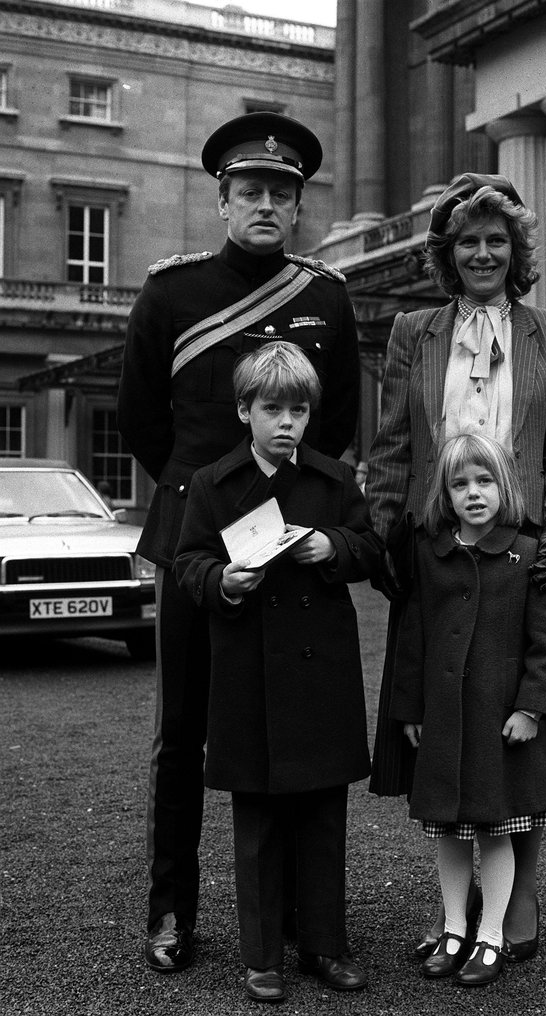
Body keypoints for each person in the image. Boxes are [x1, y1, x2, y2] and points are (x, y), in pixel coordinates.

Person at [117, 111, 361, 973]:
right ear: (222, 200)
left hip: (292, 546)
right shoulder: (170, 293)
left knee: (290, 725)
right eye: (250, 190)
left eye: (282, 193)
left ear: (298, 207)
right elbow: (141, 417)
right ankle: (171, 912)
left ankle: (297, 918)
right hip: (197, 539)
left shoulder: (326, 297)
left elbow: (338, 428)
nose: (266, 204)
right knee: (183, 732)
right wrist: (203, 498)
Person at [366, 172, 546, 961]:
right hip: (437, 549)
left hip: (521, 551)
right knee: (445, 714)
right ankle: (459, 911)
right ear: (447, 253)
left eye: (497, 240)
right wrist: (385, 532)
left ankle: (515, 895)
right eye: (468, 241)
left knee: (517, 719)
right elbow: (392, 444)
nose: (484, 252)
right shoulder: (412, 332)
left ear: (516, 251)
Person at [173, 342, 381, 1003]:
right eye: (273, 409)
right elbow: (188, 562)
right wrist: (223, 582)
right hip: (248, 676)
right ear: (244, 411)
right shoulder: (211, 483)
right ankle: (262, 957)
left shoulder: (332, 480)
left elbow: (370, 549)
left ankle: (325, 945)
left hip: (321, 675)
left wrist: (334, 547)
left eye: (299, 409)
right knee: (258, 822)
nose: (287, 422)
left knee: (323, 818)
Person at [389, 433, 546, 987]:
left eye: (484, 481)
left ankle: (490, 937)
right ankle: (452, 929)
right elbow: (414, 638)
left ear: (504, 486)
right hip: (444, 720)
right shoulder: (432, 553)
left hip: (498, 723)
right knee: (447, 831)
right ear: (444, 492)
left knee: (494, 831)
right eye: (460, 483)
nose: (473, 493)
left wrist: (531, 710)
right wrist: (410, 709)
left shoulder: (530, 555)